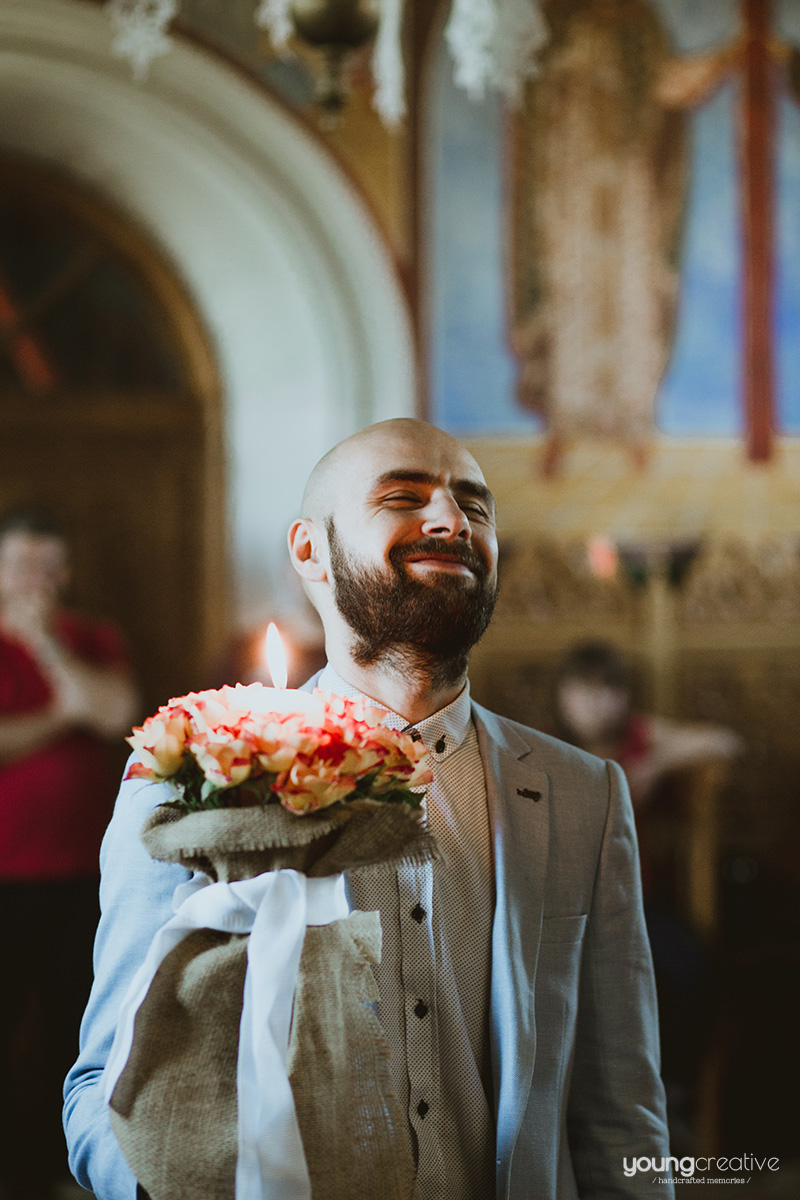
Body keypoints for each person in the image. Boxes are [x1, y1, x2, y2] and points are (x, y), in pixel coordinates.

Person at [65, 419, 672, 1200]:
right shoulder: (192, 779)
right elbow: (99, 1090)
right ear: (309, 550)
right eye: (404, 496)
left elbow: (622, 1109)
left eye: (475, 508)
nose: (453, 521)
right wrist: (179, 1175)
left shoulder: (582, 793)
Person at [0, 507, 138, 1200]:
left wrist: (46, 649)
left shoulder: (91, 638)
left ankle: (70, 1172)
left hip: (88, 872)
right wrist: (64, 712)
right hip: (3, 875)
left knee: (77, 1030)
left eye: (50, 567)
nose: (39, 581)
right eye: (23, 565)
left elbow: (115, 713)